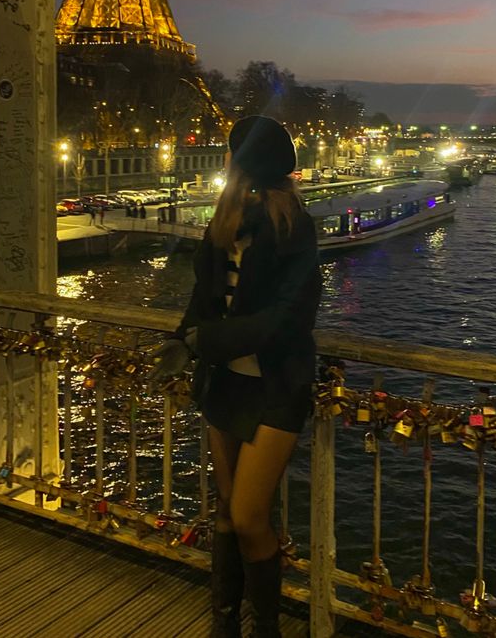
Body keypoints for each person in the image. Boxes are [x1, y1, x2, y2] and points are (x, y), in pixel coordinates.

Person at [149, 116, 321, 638]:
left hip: (276, 386)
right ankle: (224, 620)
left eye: (232, 152)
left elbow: (290, 316)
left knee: (248, 516)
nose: (225, 160)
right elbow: (203, 299)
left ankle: (264, 627)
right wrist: (182, 339)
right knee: (227, 510)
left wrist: (209, 342)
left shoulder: (293, 225)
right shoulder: (224, 222)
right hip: (225, 382)